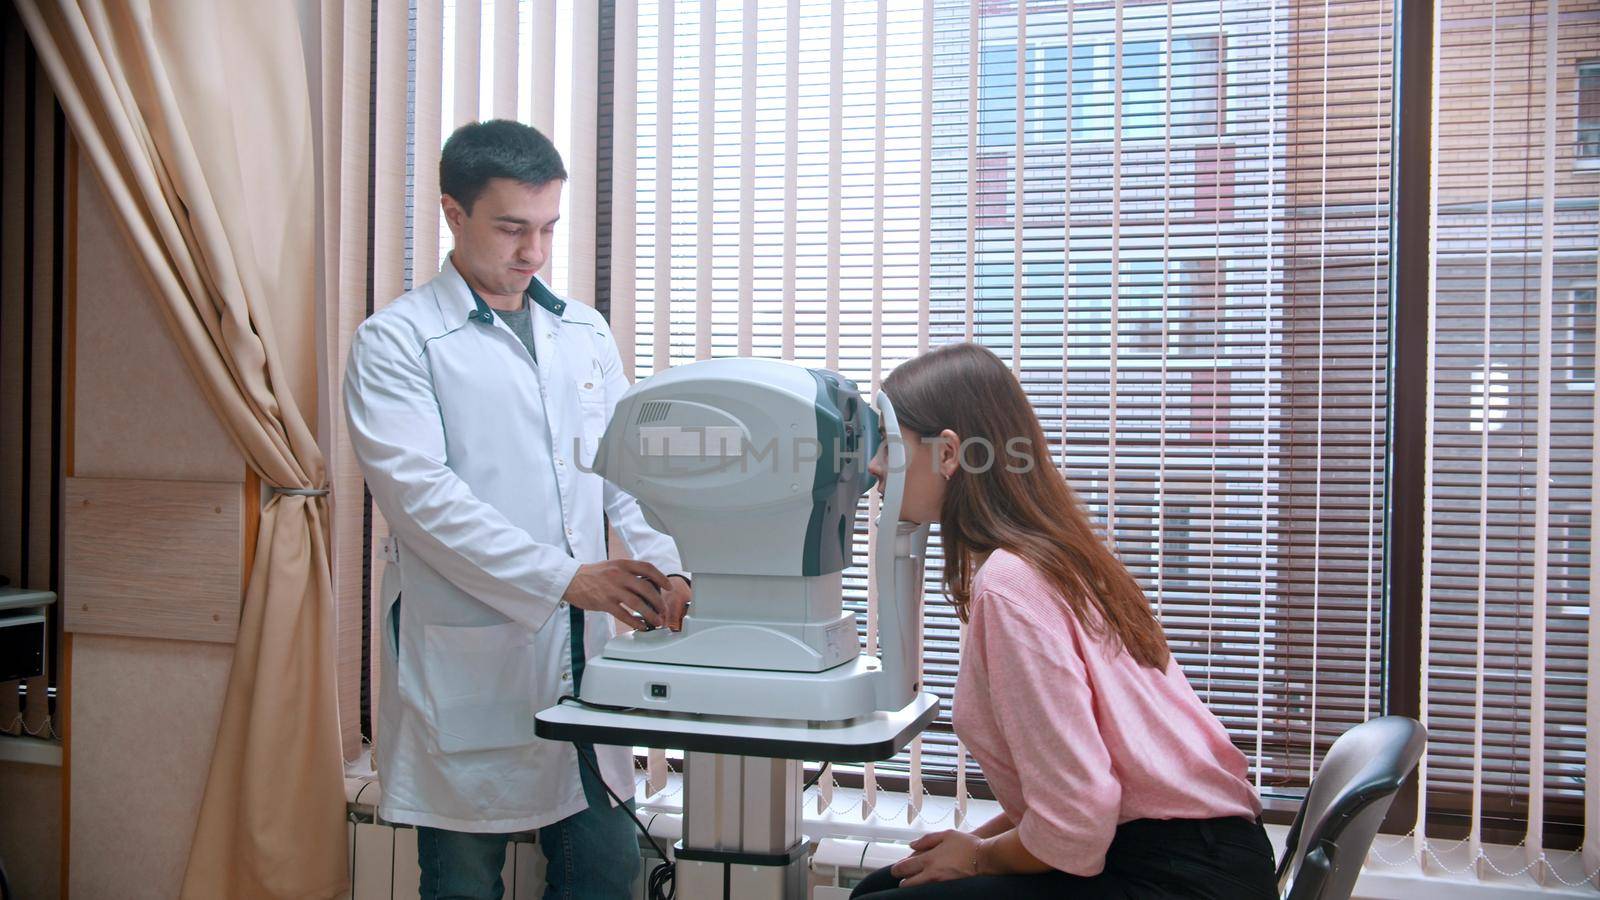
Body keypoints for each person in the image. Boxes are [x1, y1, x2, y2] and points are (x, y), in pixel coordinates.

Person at [344, 119, 691, 900]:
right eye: (511, 228)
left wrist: (667, 570)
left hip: (582, 663)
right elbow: (424, 502)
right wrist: (569, 578)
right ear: (453, 213)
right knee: (465, 885)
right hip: (473, 665)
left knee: (606, 871)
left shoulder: (583, 332)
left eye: (546, 228)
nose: (533, 252)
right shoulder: (397, 343)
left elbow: (623, 476)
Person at [853, 342, 1275, 899]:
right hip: (1204, 853)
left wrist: (979, 857)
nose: (874, 466)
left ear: (949, 453)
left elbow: (1077, 822)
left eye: (887, 443)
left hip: (1178, 876)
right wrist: (977, 842)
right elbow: (1085, 786)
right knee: (881, 888)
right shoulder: (1055, 556)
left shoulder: (1009, 586)